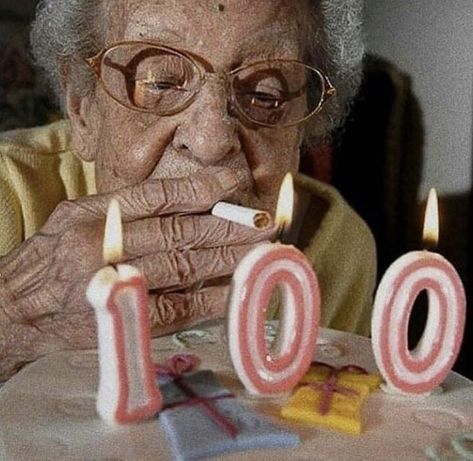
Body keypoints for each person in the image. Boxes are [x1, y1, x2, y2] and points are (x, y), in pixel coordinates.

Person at [0, 0, 376, 380]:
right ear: (82, 108)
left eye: (265, 95)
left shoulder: (338, 248)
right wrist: (11, 322)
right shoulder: (7, 198)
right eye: (160, 82)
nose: (211, 142)